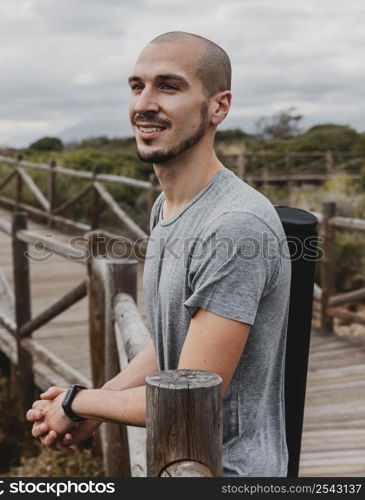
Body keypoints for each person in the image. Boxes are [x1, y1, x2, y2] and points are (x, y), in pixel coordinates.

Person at [26, 31, 291, 477]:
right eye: (136, 86)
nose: (144, 104)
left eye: (169, 86)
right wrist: (96, 402)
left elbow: (190, 396)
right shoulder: (166, 207)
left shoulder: (236, 225)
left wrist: (77, 401)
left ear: (218, 107)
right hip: (178, 460)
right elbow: (171, 343)